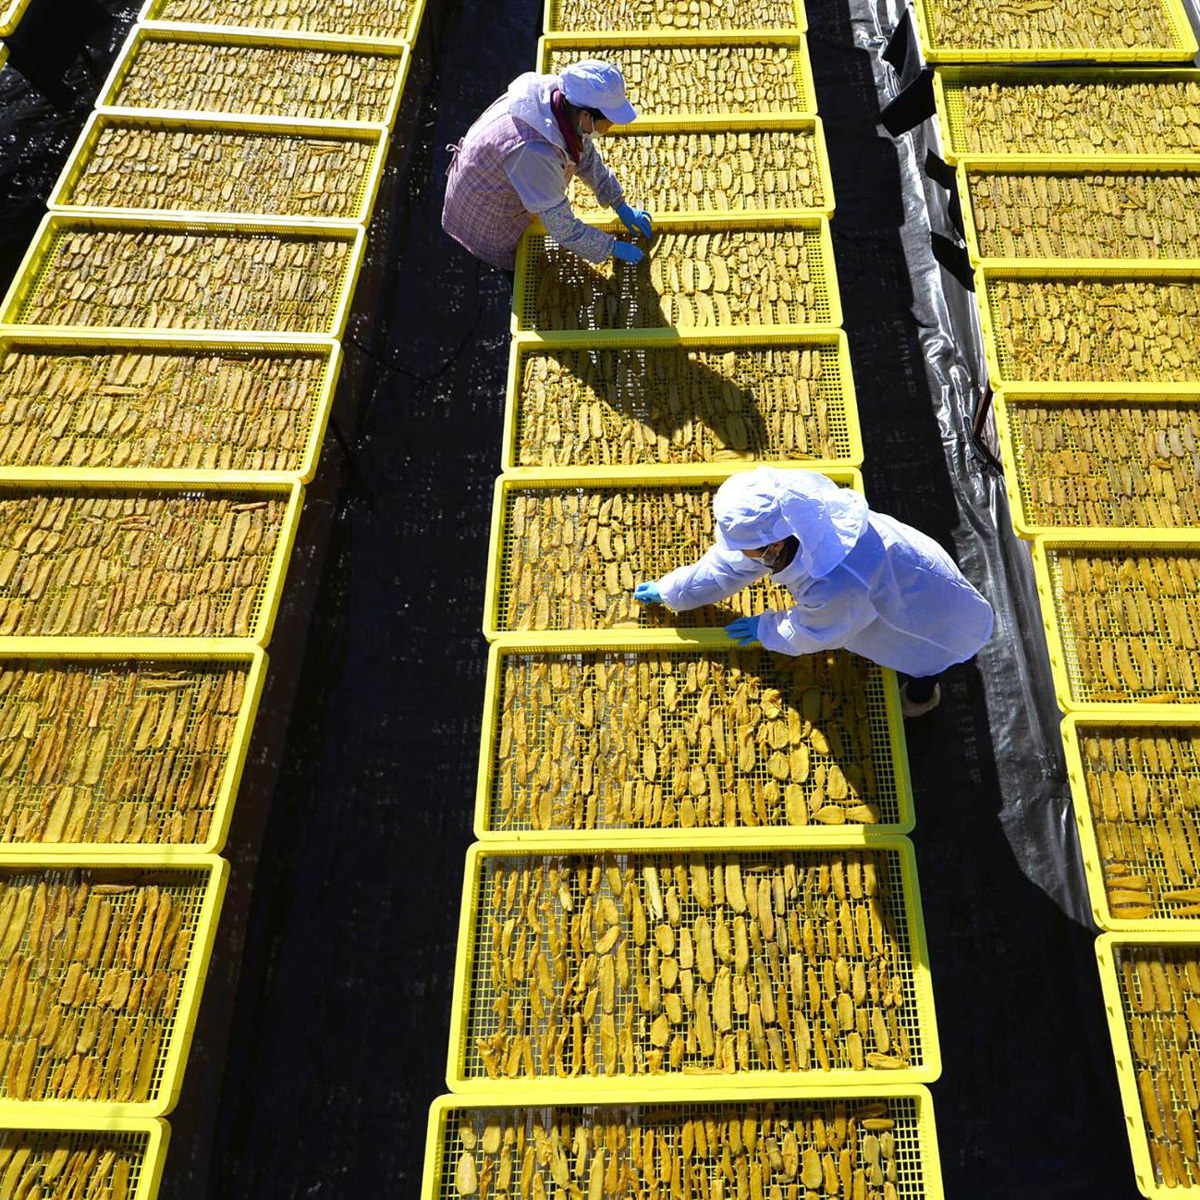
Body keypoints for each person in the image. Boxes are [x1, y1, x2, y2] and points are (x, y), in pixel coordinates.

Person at [633, 468, 994, 718]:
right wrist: (674, 590)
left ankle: (920, 697)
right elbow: (729, 564)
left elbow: (813, 632)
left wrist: (766, 629)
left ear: (773, 546)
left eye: (748, 547)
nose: (740, 552)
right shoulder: (793, 518)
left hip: (929, 616)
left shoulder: (836, 584)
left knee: (930, 658)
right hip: (901, 576)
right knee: (893, 633)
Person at [442, 60, 653, 279]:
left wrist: (618, 203)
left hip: (495, 172)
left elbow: (585, 155)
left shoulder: (563, 101)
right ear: (586, 116)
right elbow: (564, 229)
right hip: (486, 208)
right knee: (520, 271)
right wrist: (611, 248)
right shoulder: (535, 151)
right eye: (608, 122)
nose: (609, 129)